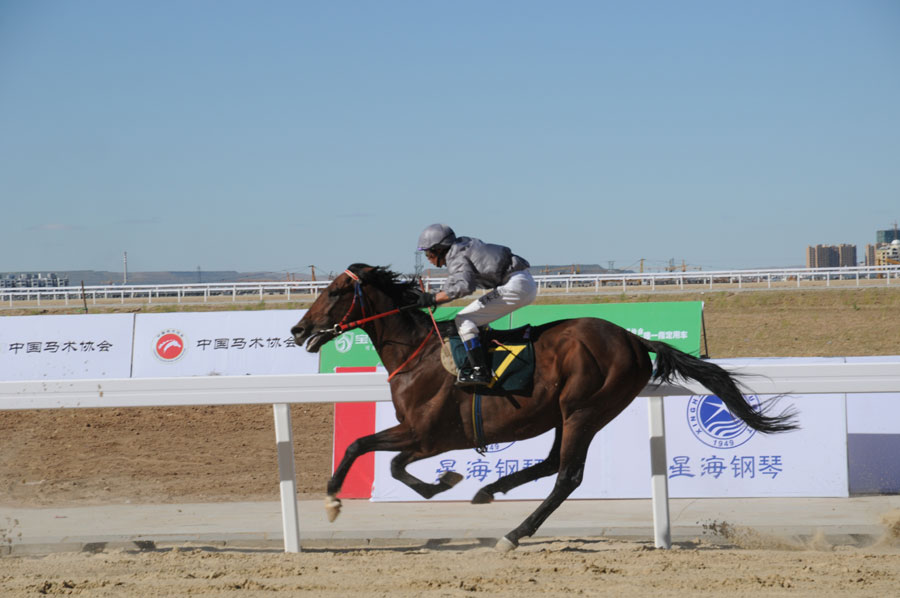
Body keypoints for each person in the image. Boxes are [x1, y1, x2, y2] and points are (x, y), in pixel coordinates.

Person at [415, 223, 537, 385]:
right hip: (521, 282)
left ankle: (480, 371)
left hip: (515, 285)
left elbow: (464, 286)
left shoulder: (456, 257)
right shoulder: (460, 248)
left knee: (463, 320)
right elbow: (452, 285)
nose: (428, 259)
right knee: (476, 320)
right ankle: (487, 357)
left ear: (439, 249)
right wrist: (432, 297)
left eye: (428, 254)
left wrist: (433, 299)